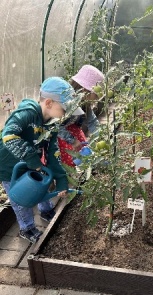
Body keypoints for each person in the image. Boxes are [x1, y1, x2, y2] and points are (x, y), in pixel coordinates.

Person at [0, 77, 75, 243]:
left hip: (30, 163)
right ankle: (27, 228)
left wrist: (61, 179)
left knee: (42, 187)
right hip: (8, 166)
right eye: (64, 109)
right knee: (21, 200)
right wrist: (32, 159)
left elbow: (52, 153)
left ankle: (46, 210)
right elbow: (9, 135)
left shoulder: (52, 124)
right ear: (49, 103)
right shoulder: (27, 113)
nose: (66, 114)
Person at [57, 65, 105, 167]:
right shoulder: (66, 103)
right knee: (73, 158)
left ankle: (73, 168)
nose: (97, 98)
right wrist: (72, 140)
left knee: (84, 151)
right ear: (84, 90)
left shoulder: (84, 103)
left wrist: (100, 138)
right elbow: (55, 126)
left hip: (70, 131)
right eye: (95, 95)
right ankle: (64, 171)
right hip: (58, 134)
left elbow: (92, 122)